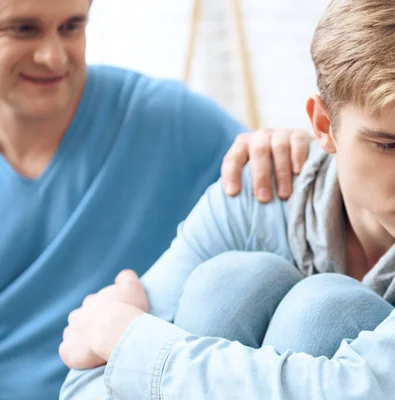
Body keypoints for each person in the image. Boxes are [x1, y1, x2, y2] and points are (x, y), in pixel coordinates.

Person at [60, 0, 395, 399]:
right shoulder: (265, 188)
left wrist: (126, 337)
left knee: (324, 310)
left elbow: (353, 392)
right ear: (323, 126)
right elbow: (81, 386)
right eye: (391, 144)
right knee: (236, 281)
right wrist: (118, 347)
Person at [0, 0, 313, 399]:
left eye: (71, 27)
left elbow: (282, 184)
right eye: (23, 29)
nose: (53, 56)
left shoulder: (166, 120)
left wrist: (296, 151)